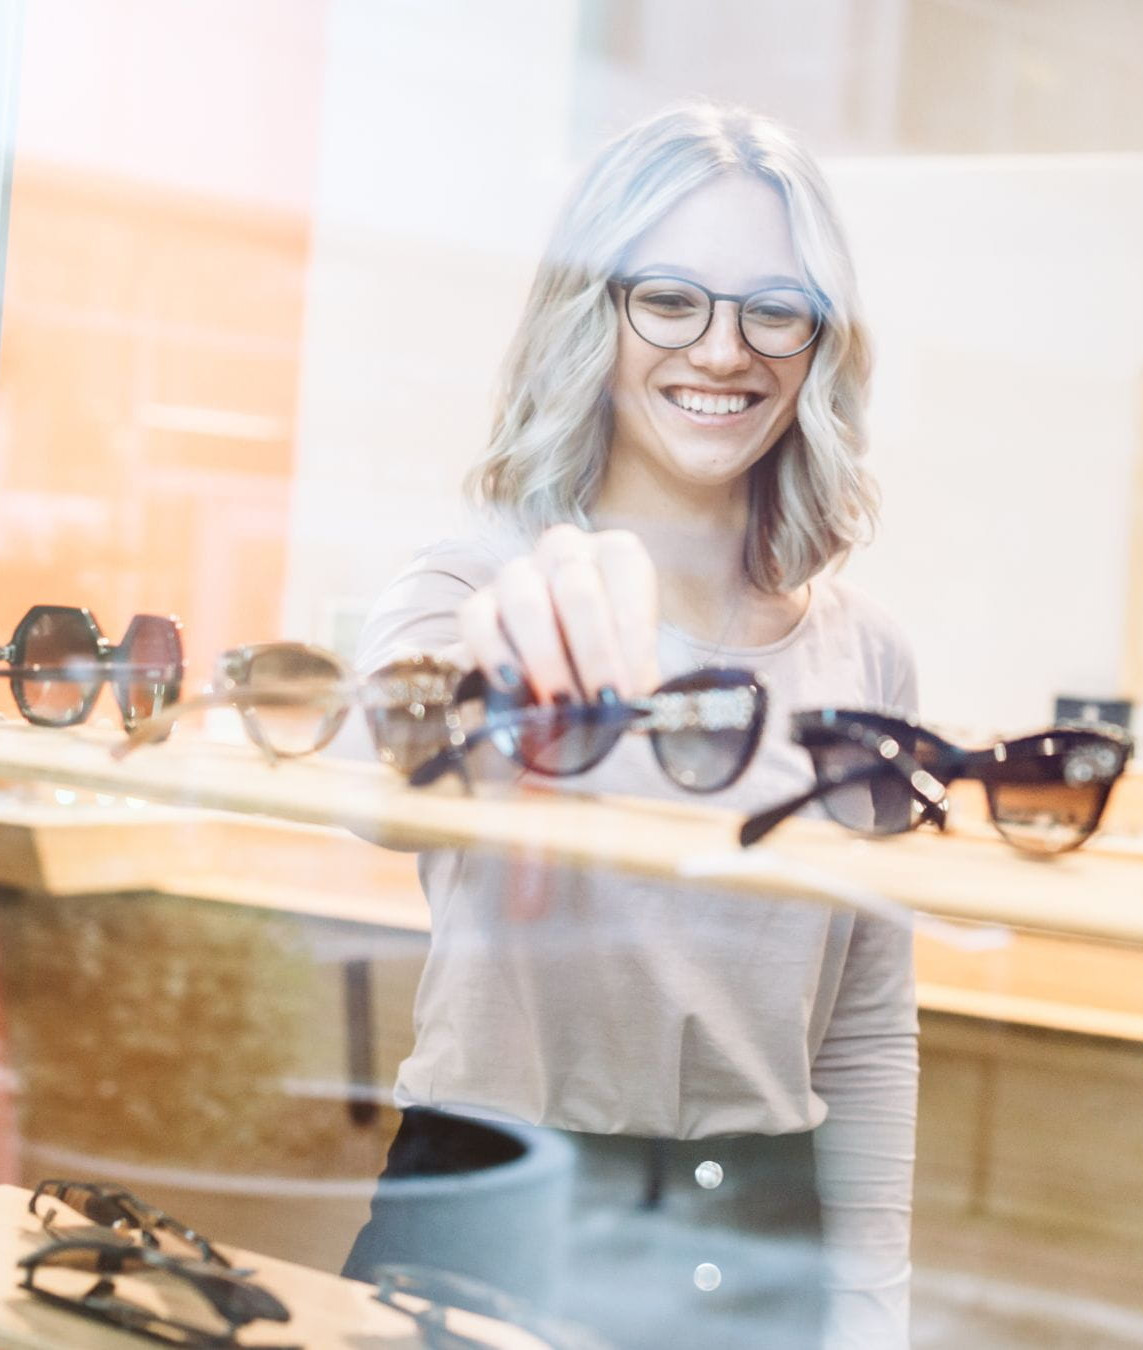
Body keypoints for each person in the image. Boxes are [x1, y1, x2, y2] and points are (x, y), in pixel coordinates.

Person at [343, 103, 917, 1350]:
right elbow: (378, 767)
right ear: (591, 319)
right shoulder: (463, 588)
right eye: (668, 299)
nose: (723, 350)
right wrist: (506, 653)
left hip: (762, 1240)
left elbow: (867, 1029)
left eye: (775, 307)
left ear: (820, 343)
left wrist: (870, 1314)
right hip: (495, 1209)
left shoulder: (863, 653)